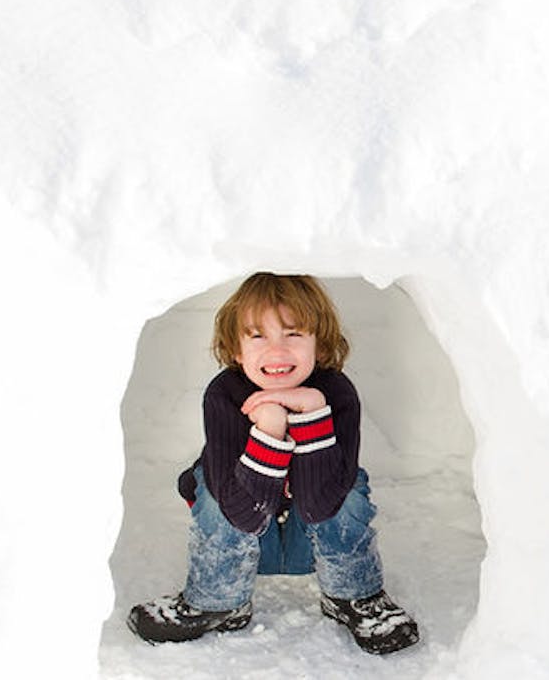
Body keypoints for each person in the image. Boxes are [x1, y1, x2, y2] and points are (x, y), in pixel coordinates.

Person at [127, 272, 420, 655]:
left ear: (320, 342)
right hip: (246, 541)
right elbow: (243, 514)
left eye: (294, 333)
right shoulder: (224, 395)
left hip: (312, 544)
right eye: (258, 335)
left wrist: (312, 414)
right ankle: (217, 600)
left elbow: (321, 505)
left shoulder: (336, 394)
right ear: (236, 349)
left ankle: (352, 596)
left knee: (347, 487)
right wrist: (270, 430)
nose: (277, 351)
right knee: (213, 484)